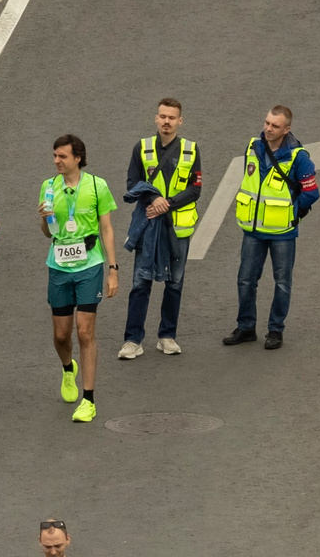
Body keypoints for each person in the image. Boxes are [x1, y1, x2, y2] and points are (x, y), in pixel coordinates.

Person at [222, 103, 316, 348]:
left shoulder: (298, 156)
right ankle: (246, 327)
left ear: (287, 129)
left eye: (275, 126)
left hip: (282, 233)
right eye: (266, 123)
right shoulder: (253, 146)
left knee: (282, 282)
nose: (268, 129)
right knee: (245, 280)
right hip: (253, 230)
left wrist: (292, 215)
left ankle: (275, 330)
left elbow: (311, 192)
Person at [40, 134, 118, 421]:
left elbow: (107, 229)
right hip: (59, 266)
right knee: (62, 335)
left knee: (85, 332)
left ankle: (88, 400)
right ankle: (67, 367)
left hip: (90, 265)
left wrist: (113, 270)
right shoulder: (48, 188)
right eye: (55, 156)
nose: (56, 161)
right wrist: (44, 219)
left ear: (77, 158)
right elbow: (48, 232)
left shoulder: (97, 186)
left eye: (62, 156)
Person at [118, 98, 200, 357]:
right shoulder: (141, 148)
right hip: (149, 226)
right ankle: (133, 340)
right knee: (140, 282)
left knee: (175, 283)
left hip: (178, 228)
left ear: (180, 121)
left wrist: (169, 204)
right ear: (156, 118)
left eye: (172, 117)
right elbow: (132, 183)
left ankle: (167, 336)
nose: (166, 121)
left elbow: (195, 189)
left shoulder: (191, 149)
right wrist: (154, 199)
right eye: (162, 116)